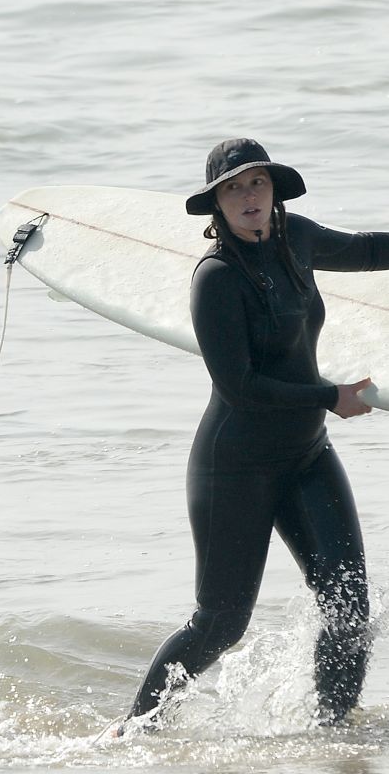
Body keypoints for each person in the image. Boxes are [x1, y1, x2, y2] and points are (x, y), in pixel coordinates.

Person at [120, 137, 389, 731]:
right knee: (220, 622)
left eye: (257, 183)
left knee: (347, 608)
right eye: (234, 187)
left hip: (306, 455)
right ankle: (134, 732)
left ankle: (331, 738)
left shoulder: (300, 240)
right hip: (234, 466)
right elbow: (240, 386)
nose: (248, 195)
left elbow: (372, 250)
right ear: (216, 202)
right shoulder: (215, 279)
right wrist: (332, 397)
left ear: (274, 191)